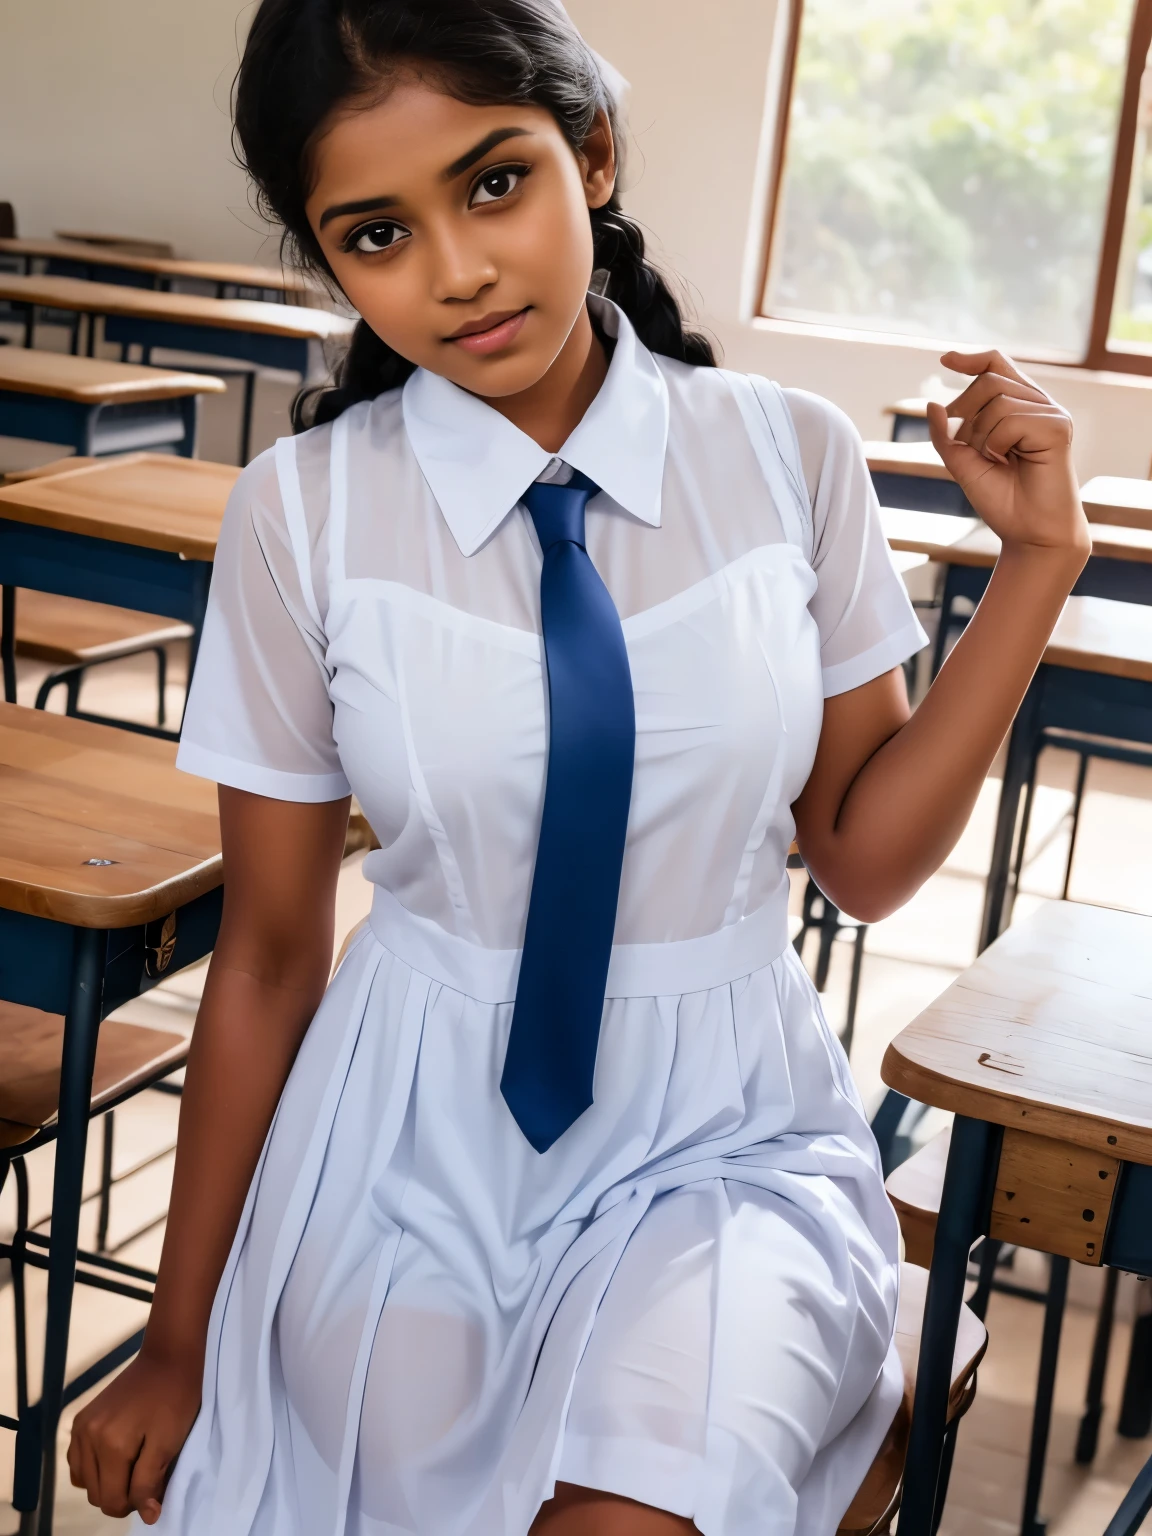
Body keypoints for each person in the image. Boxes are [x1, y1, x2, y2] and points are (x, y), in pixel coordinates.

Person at [66, 1, 1089, 1532]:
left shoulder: (783, 453)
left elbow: (866, 864)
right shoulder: (306, 513)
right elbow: (271, 957)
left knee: (631, 1505)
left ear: (590, 155)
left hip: (723, 1130)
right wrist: (180, 1329)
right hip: (406, 1134)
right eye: (375, 233)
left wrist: (1039, 564)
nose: (460, 271)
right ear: (331, 260)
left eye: (494, 184)